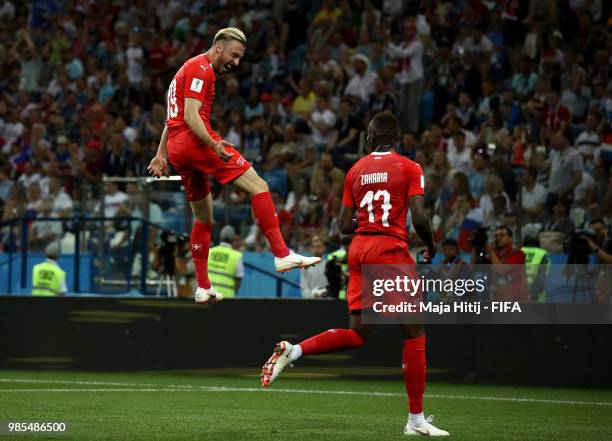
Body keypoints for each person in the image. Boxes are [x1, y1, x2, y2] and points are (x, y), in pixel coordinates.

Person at [260, 113, 449, 436]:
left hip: (360, 250)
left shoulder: (356, 170)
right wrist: (431, 244)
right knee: (413, 331)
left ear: (371, 137)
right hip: (389, 250)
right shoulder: (409, 167)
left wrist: (369, 226)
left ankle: (295, 351)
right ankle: (416, 421)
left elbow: (343, 226)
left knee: (359, 331)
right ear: (397, 137)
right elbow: (419, 216)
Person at [147, 27, 320, 305]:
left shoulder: (188, 68)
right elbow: (191, 116)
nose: (236, 63)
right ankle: (281, 253)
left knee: (204, 218)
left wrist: (161, 155)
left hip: (178, 149)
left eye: (240, 58)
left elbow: (175, 117)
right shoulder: (201, 69)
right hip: (195, 140)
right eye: (234, 55)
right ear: (218, 47)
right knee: (259, 186)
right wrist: (213, 144)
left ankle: (203, 286)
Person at [208, 225, 244, 298]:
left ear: (220, 236)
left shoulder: (209, 252)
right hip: (227, 297)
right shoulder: (236, 256)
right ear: (232, 238)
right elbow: (238, 280)